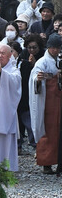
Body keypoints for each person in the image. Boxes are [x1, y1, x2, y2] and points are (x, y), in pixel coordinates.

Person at [30, 33, 62, 173]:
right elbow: (35, 78)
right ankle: (46, 163)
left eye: (58, 48)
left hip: (58, 99)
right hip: (47, 101)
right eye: (53, 47)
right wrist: (41, 78)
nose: (55, 50)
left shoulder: (59, 59)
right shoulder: (42, 62)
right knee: (47, 129)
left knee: (58, 130)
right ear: (48, 47)